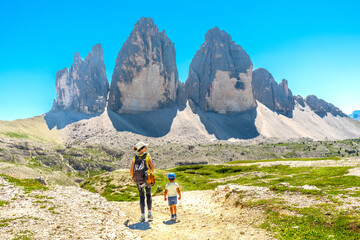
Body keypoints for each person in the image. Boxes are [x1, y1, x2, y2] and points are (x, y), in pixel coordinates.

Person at [130, 141, 155, 222]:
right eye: (145, 146)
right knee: (148, 195)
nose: (146, 148)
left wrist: (133, 178)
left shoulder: (135, 157)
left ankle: (142, 215)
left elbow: (131, 169)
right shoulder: (147, 155)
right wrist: (151, 176)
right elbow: (152, 167)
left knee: (141, 196)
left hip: (138, 180)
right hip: (147, 179)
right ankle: (149, 214)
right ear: (141, 148)